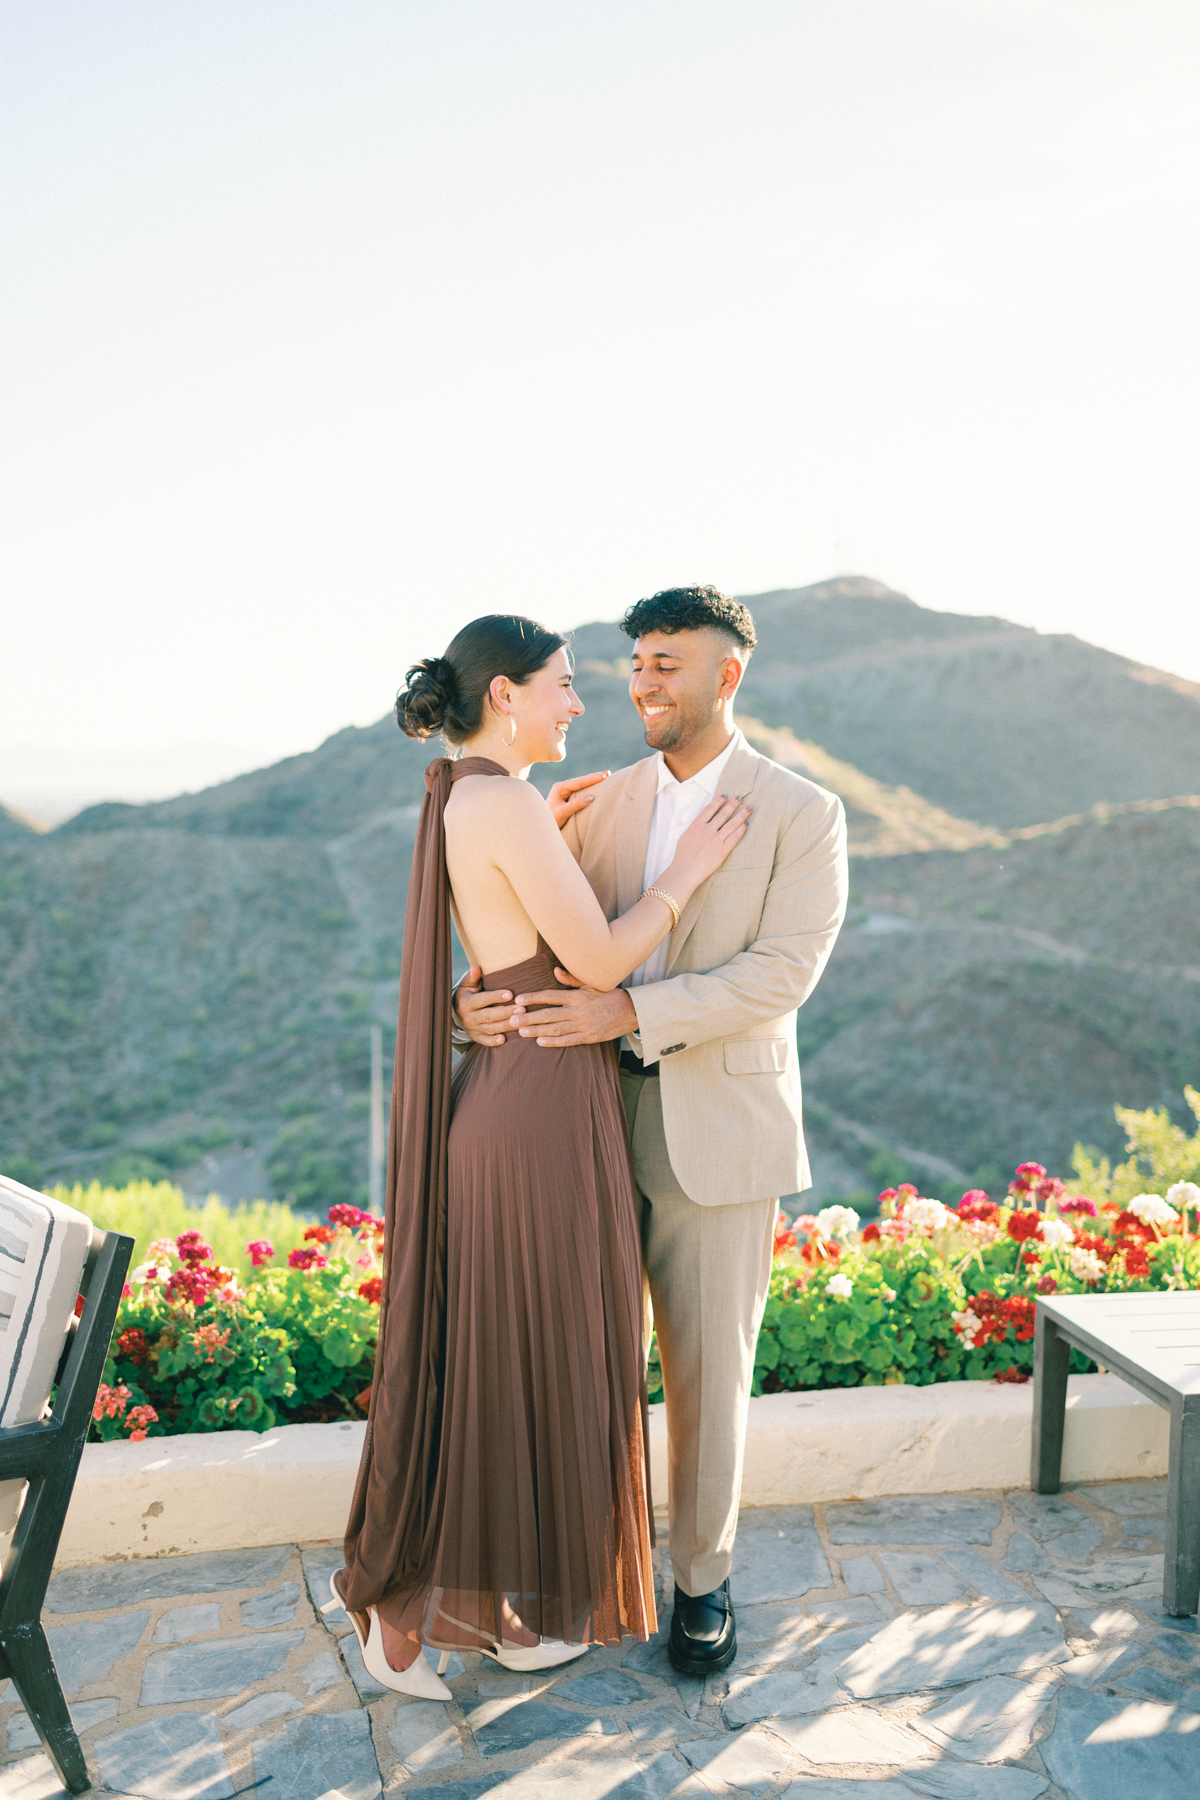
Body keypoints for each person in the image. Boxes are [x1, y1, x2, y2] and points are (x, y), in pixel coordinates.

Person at [330, 612, 751, 1698]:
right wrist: (688, 873)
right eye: (563, 684)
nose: (580, 701)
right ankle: (405, 1629)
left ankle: (504, 1618)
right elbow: (602, 956)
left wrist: (548, 836)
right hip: (538, 1112)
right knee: (521, 1361)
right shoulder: (501, 800)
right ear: (507, 695)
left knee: (512, 1363)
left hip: (519, 1098)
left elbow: (508, 949)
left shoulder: (469, 795)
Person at [457, 586, 848, 1676]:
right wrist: (465, 1003)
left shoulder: (803, 812)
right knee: (581, 1363)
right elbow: (520, 926)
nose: (642, 682)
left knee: (708, 1369)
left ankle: (702, 1584)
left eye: (667, 663)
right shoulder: (591, 800)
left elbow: (784, 974)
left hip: (721, 1129)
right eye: (634, 661)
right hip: (574, 1121)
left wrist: (630, 1010)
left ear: (727, 676)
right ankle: (585, 1571)